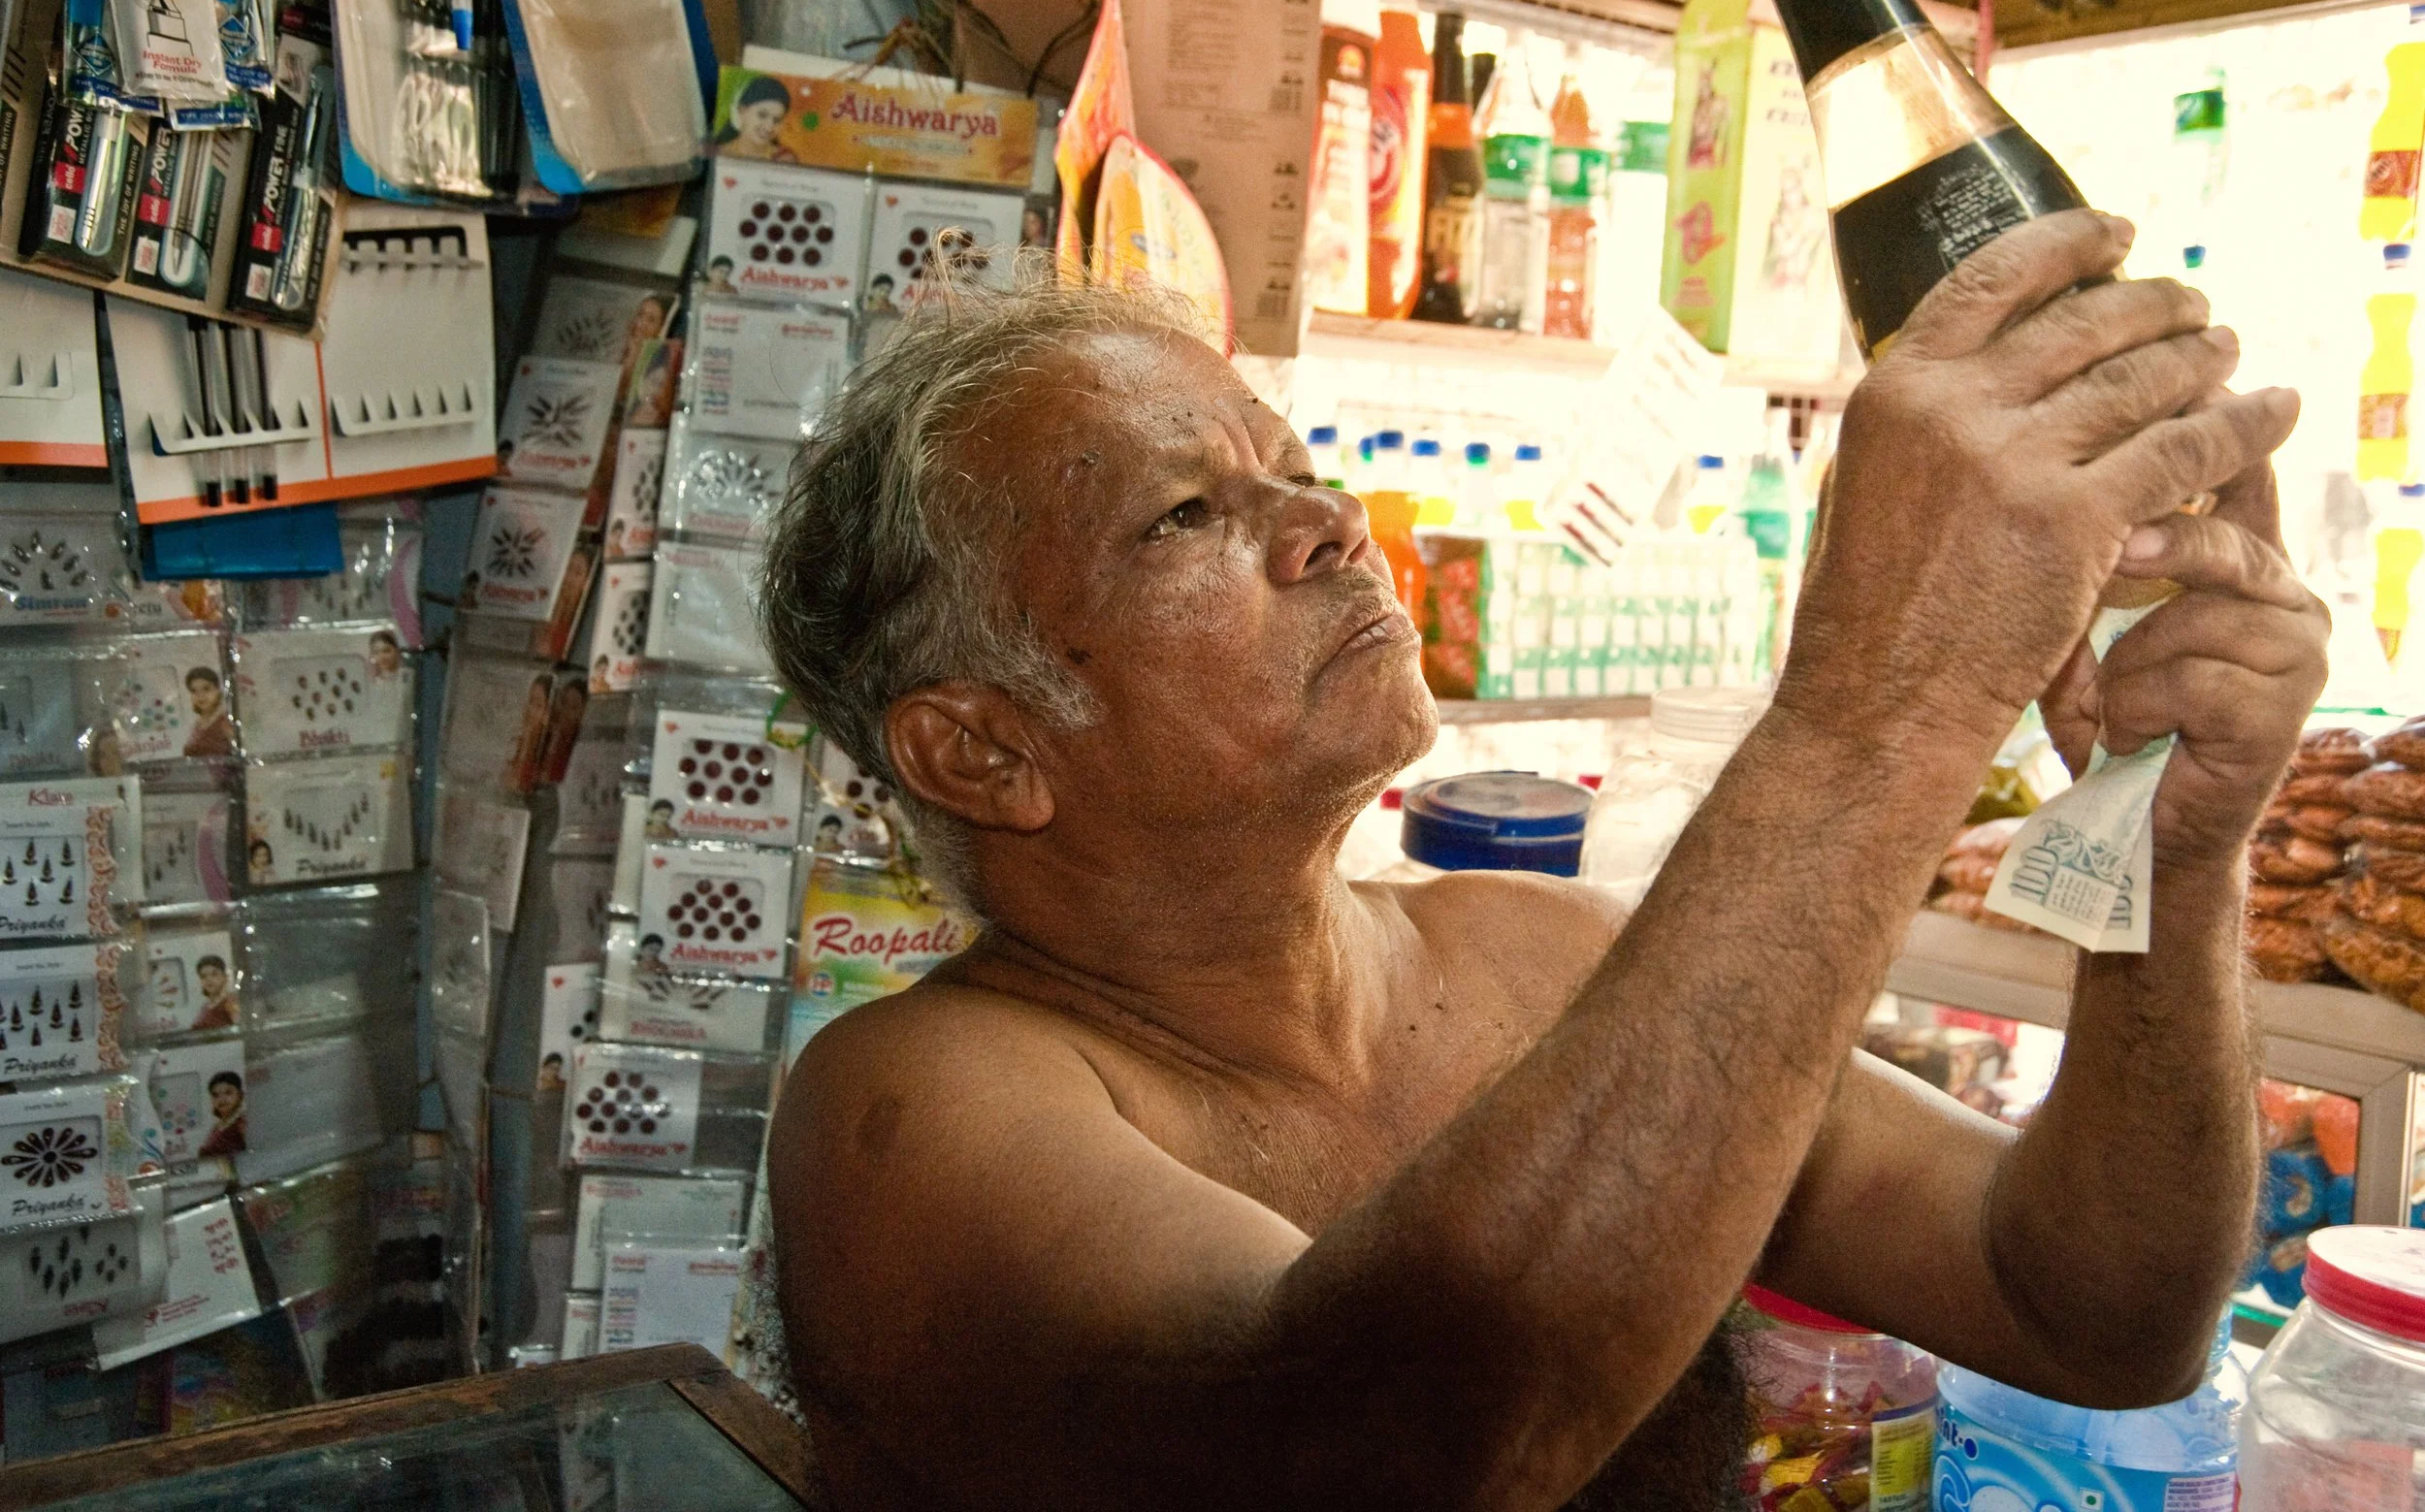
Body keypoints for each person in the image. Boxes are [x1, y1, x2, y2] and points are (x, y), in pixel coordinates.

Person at [755, 216, 2325, 1512]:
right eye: (1184, 514)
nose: (1327, 523)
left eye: (1298, 467)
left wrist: (2167, 855)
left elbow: (2100, 1306)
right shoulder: (909, 1109)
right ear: (982, 748)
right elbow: (1406, 1438)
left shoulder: (1543, 952)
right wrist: (1876, 703)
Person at [714, 75, 798, 162]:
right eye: (762, 115)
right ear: (742, 111)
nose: (769, 127)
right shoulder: (718, 152)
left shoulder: (784, 159)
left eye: (776, 120)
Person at [183, 666, 234, 757]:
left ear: (218, 690)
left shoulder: (225, 721)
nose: (200, 695)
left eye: (206, 689)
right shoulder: (197, 725)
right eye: (194, 691)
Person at [198, 1070, 245, 1157]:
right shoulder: (218, 1126)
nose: (222, 1099)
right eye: (215, 1095)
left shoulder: (242, 1124)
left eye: (228, 1093)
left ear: (240, 1095)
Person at [193, 954, 238, 1030]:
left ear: (225, 977)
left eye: (214, 974)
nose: (209, 979)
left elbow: (238, 1029)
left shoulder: (230, 1002)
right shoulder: (206, 1006)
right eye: (203, 976)